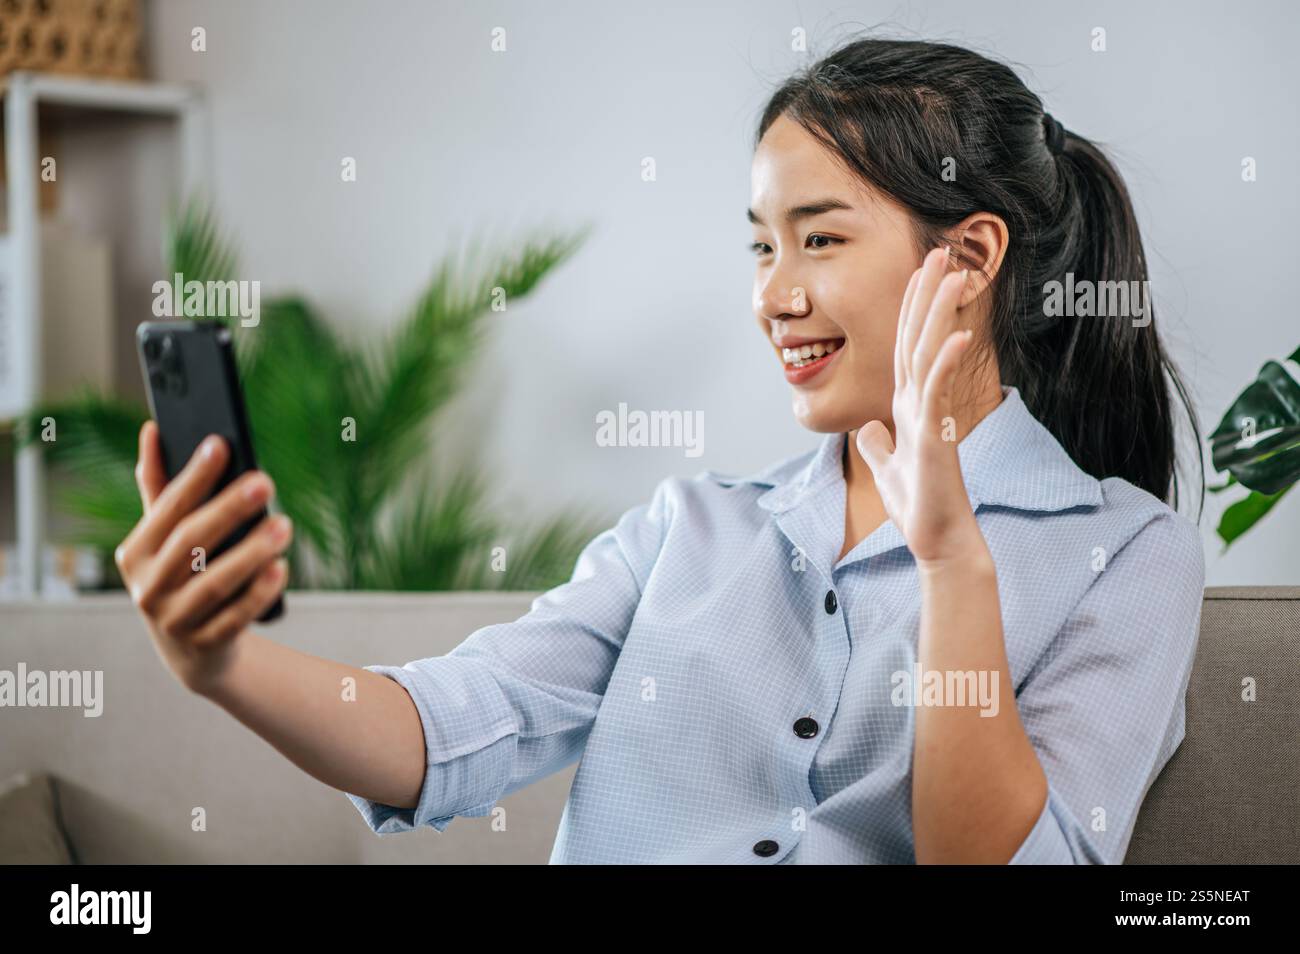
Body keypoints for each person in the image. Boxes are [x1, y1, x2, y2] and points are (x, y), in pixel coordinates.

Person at [115, 36, 1206, 864]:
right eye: (761, 246)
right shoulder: (690, 530)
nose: (774, 296)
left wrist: (951, 563)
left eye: (819, 239)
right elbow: (453, 728)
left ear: (966, 259)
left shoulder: (1125, 557)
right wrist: (226, 665)